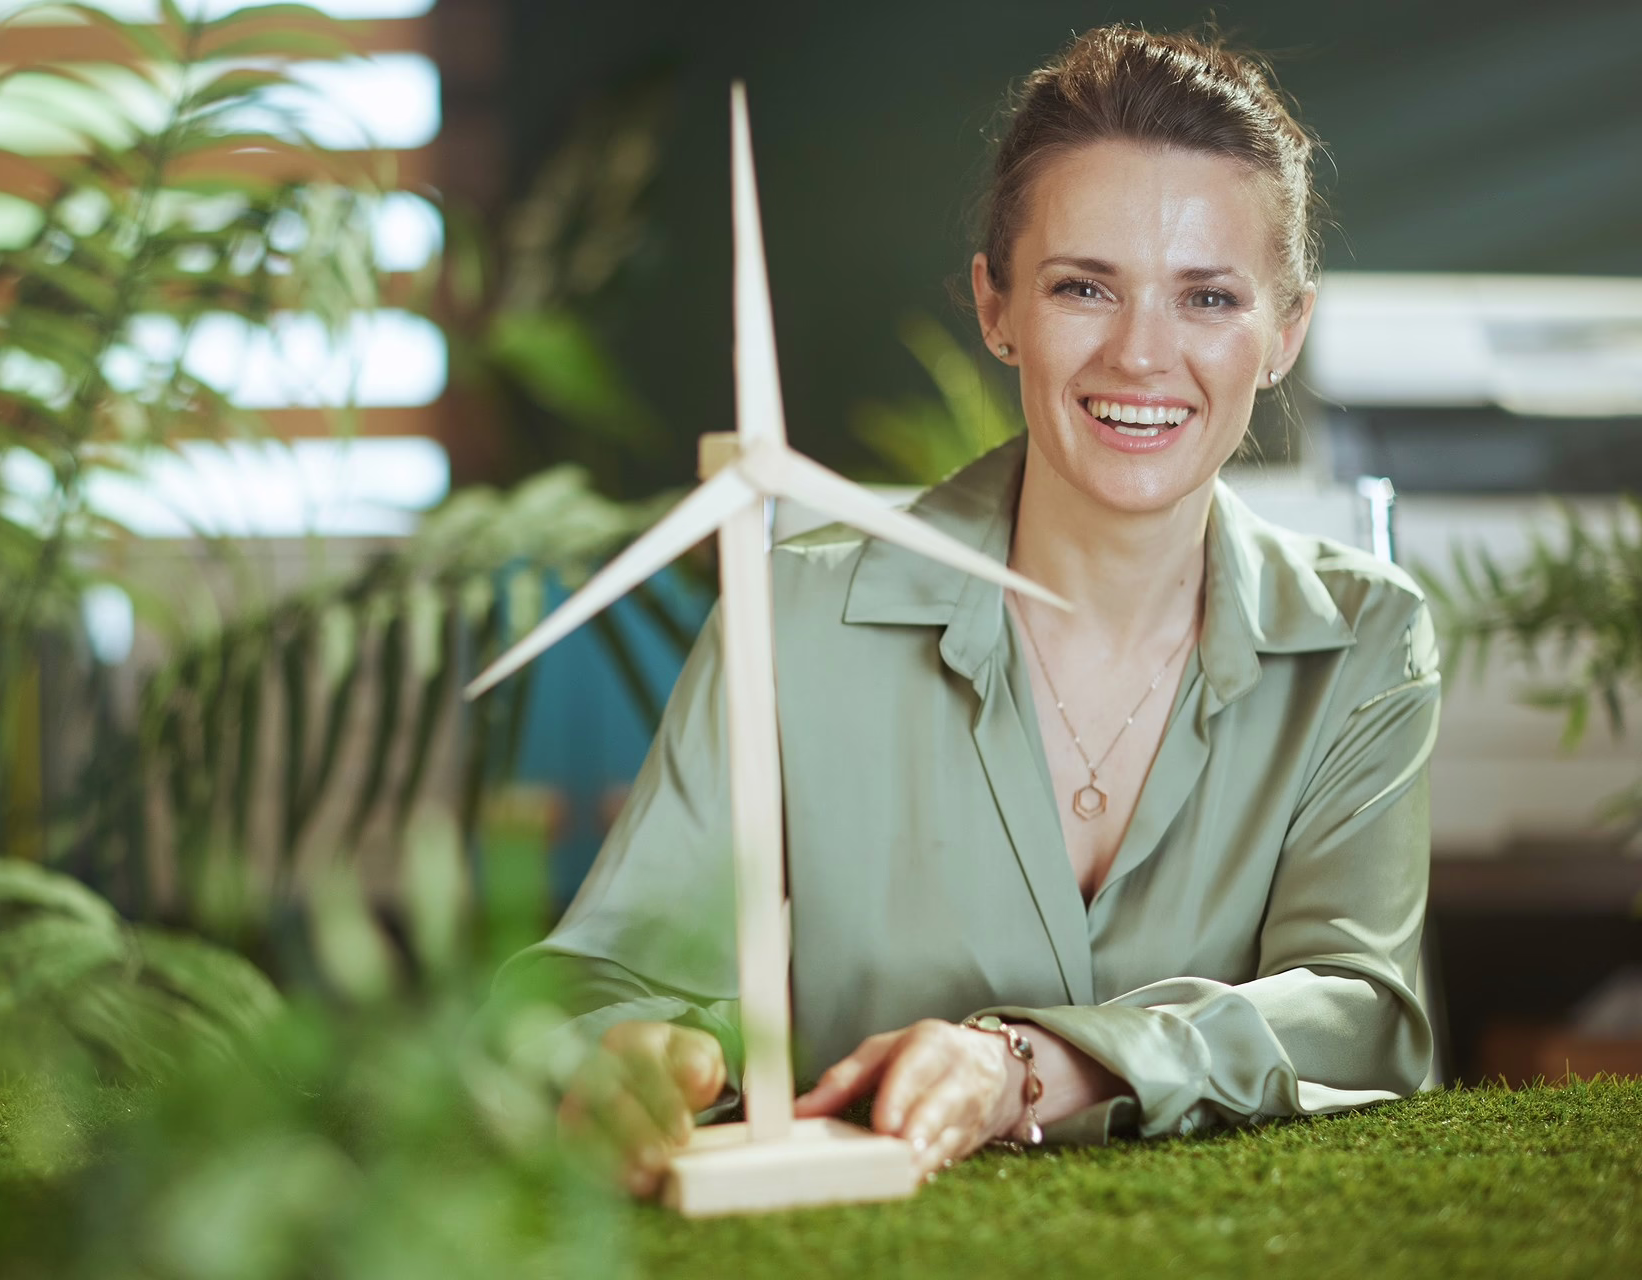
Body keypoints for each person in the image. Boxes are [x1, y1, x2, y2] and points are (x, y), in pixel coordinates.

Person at [491, 23, 1441, 1198]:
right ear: (997, 307)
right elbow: (593, 976)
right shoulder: (795, 613)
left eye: (1208, 297)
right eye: (1083, 286)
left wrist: (1030, 1065)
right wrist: (624, 1052)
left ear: (1283, 332)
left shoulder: (1367, 643)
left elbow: (1362, 1016)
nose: (1143, 354)